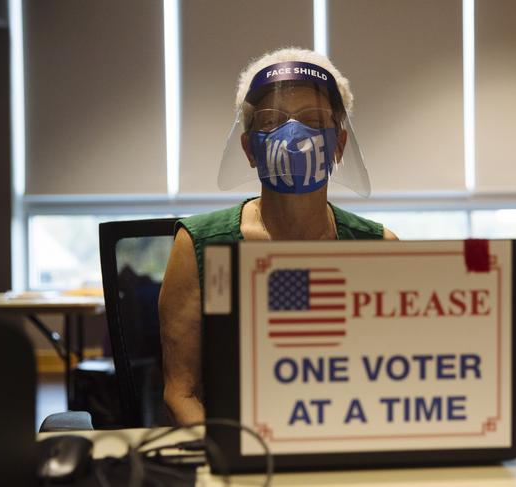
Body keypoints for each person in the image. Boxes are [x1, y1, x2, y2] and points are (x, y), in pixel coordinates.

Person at [158, 47, 398, 425]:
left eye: (312, 119)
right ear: (249, 148)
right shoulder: (200, 244)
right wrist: (235, 459)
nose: (292, 135)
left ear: (339, 146)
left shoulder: (378, 248)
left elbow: (397, 380)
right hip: (237, 457)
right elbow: (180, 392)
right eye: (271, 121)